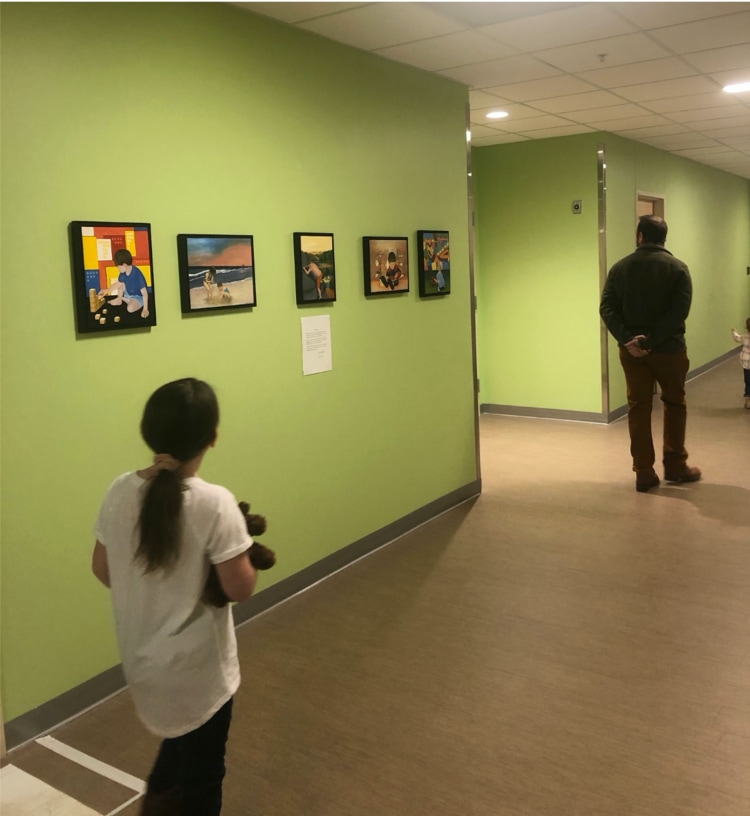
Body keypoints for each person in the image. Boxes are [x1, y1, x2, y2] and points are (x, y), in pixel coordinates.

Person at [91, 378, 256, 815]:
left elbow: (103, 569)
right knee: (204, 773)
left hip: (144, 663)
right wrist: (243, 553)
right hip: (200, 673)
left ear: (149, 432)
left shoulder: (119, 490)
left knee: (180, 748)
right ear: (213, 437)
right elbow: (240, 587)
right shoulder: (215, 503)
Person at [599, 214, 701, 492]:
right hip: (670, 350)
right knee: (674, 404)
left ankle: (643, 472)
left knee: (639, 407)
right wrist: (652, 341)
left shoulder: (620, 268)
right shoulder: (678, 269)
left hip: (632, 354)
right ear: (664, 238)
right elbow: (679, 312)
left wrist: (629, 339)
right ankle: (676, 466)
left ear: (640, 236)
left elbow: (607, 308)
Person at [102, 248, 151, 318]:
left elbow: (144, 293)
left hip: (138, 297)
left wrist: (145, 309)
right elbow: (118, 284)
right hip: (128, 294)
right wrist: (107, 290)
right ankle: (120, 299)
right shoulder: (123, 273)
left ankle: (125, 299)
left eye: (118, 267)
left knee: (130, 309)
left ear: (124, 265)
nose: (118, 269)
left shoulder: (137, 274)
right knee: (120, 283)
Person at [731, 318, 750, 409]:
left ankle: (748, 400)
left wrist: (734, 331)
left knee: (748, 381)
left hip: (746, 364)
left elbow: (737, 338)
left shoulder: (745, 337)